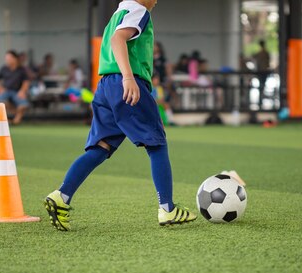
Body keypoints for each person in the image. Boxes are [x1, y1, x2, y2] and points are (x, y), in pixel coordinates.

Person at [43, 0, 197, 231]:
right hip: (125, 84)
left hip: (105, 86)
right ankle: (167, 208)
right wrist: (128, 77)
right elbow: (118, 40)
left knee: (100, 148)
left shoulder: (118, 14)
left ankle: (61, 196)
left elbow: (113, 39)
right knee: (157, 143)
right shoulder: (138, 10)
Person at [0, 50, 30, 125]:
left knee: (23, 105)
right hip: (5, 91)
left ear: (15, 59)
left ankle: (16, 121)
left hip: (17, 92)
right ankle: (6, 120)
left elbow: (26, 82)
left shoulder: (21, 70)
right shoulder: (4, 68)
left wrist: (22, 91)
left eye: (9, 58)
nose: (7, 60)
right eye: (6, 59)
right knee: (2, 104)